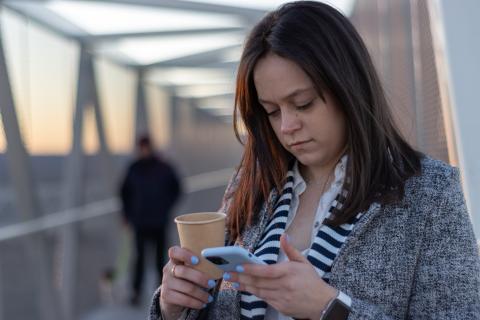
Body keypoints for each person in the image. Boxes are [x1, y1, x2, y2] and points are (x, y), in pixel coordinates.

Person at [149, 2, 480, 319]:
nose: (287, 126)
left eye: (303, 104)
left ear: (348, 88)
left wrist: (331, 308)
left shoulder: (430, 194)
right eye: (272, 112)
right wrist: (174, 307)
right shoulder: (252, 186)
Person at [120, 135, 181, 306]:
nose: (144, 150)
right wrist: (127, 214)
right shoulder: (133, 168)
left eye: (146, 146)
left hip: (159, 221)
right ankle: (136, 293)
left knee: (159, 259)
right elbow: (124, 193)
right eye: (141, 147)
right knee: (139, 258)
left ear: (150, 147)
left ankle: (162, 291)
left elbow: (177, 188)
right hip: (140, 222)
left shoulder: (164, 167)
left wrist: (166, 207)